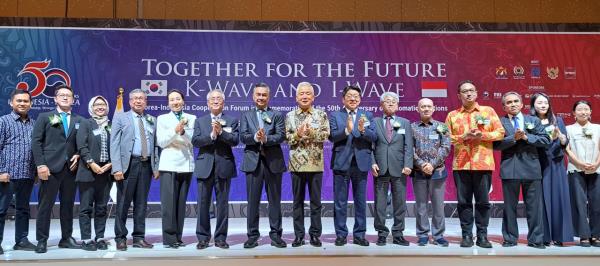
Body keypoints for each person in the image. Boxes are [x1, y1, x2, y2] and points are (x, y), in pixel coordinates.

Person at [445, 80, 504, 248]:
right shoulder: (452, 115)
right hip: (461, 165)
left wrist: (482, 136)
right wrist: (463, 137)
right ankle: (466, 235)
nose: (468, 93)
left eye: (471, 90)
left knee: (483, 202)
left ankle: (482, 235)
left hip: (482, 163)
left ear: (476, 93)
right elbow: (446, 138)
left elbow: (500, 133)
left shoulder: (488, 111)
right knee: (463, 202)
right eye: (464, 91)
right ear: (459, 95)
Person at [494, 92, 550, 249]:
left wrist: (526, 138)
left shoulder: (533, 120)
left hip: (532, 169)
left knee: (534, 207)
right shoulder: (500, 122)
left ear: (522, 104)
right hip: (510, 169)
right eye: (509, 102)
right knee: (509, 207)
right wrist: (513, 138)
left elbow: (546, 140)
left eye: (515, 101)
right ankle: (510, 238)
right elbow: (495, 144)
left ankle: (536, 239)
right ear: (504, 106)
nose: (512, 104)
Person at [32, 85, 83, 253]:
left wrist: (78, 154)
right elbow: (36, 142)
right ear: (55, 99)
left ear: (73, 99)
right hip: (50, 168)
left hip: (71, 169)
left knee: (68, 206)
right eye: (62, 95)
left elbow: (82, 144)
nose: (65, 98)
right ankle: (42, 240)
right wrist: (41, 165)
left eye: (69, 95)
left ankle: (66, 238)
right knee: (45, 206)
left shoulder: (79, 120)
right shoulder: (45, 117)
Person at [110, 89, 158, 251]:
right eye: (135, 99)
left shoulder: (152, 119)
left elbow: (156, 145)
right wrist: (116, 168)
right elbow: (114, 144)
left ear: (146, 102)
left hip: (146, 166)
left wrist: (155, 166)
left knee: (141, 204)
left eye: (142, 99)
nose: (138, 101)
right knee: (123, 203)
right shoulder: (120, 118)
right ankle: (120, 237)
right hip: (127, 166)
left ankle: (139, 237)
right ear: (130, 102)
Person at [240, 83, 287, 249]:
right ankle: (252, 235)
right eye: (258, 95)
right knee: (252, 202)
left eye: (264, 95)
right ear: (253, 97)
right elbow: (243, 137)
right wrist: (255, 136)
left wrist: (266, 138)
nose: (261, 98)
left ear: (269, 97)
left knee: (275, 201)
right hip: (253, 162)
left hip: (273, 162)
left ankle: (276, 235)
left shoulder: (277, 115)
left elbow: (281, 135)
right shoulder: (246, 115)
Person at [328, 85, 376, 247]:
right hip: (342, 163)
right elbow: (332, 136)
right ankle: (341, 234)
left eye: (356, 96)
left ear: (360, 99)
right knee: (340, 202)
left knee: (360, 201)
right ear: (343, 99)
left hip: (361, 164)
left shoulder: (367, 115)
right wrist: (347, 131)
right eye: (349, 96)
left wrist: (363, 131)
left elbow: (374, 136)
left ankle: (359, 234)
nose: (353, 99)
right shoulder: (336, 115)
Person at [192, 89, 239, 249]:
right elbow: (196, 141)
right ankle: (203, 238)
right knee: (203, 204)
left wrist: (221, 133)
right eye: (213, 99)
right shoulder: (200, 121)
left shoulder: (231, 120)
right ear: (207, 103)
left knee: (222, 205)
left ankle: (220, 238)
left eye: (219, 99)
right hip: (205, 167)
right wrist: (212, 135)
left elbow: (234, 140)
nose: (216, 101)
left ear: (223, 103)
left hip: (224, 167)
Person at [285, 82, 330, 247]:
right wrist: (297, 134)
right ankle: (298, 235)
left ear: (313, 97)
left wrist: (311, 132)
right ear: (296, 97)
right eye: (301, 94)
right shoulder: (290, 116)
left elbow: (326, 135)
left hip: (315, 164)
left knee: (316, 203)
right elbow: (287, 137)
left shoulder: (321, 114)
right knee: (297, 202)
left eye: (308, 93)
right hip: (296, 165)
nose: (304, 96)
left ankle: (315, 235)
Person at [529, 92, 574, 246]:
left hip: (556, 164)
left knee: (559, 199)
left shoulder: (557, 120)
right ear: (533, 105)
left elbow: (564, 142)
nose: (543, 105)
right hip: (539, 163)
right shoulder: (530, 121)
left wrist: (562, 139)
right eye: (539, 102)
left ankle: (561, 236)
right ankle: (544, 236)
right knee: (541, 200)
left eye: (546, 103)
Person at [370, 92, 413, 246]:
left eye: (393, 101)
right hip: (380, 167)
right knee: (380, 203)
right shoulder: (374, 122)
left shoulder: (405, 123)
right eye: (386, 101)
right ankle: (381, 233)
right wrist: (372, 162)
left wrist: (408, 164)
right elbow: (370, 146)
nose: (390, 103)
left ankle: (398, 233)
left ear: (398, 105)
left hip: (400, 167)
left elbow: (409, 146)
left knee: (400, 202)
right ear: (381, 105)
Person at [156, 89, 196, 249]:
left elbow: (193, 141)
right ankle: (169, 238)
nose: (175, 102)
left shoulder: (192, 118)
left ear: (183, 101)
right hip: (169, 164)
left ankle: (178, 236)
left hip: (186, 164)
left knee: (180, 204)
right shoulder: (162, 118)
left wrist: (183, 132)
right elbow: (162, 142)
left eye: (178, 99)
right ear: (168, 103)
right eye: (171, 100)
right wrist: (175, 130)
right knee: (168, 204)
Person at [0, 89, 37, 254]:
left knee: (23, 209)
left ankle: (21, 240)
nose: (22, 103)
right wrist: (0, 171)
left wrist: (35, 171)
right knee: (1, 210)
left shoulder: (34, 124)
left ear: (31, 104)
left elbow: (36, 149)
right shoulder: (3, 122)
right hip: (7, 175)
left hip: (27, 175)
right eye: (19, 101)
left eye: (25, 101)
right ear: (11, 103)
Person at [411, 98, 451, 247]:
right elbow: (410, 149)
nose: (426, 109)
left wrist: (432, 165)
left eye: (429, 106)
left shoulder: (442, 127)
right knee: (421, 205)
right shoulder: (412, 127)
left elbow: (446, 147)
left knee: (438, 206)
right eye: (423, 106)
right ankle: (422, 235)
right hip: (418, 172)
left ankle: (438, 235)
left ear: (434, 109)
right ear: (418, 109)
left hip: (438, 172)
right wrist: (421, 164)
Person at [76, 96, 113, 251]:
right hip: (88, 171)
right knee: (85, 208)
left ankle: (99, 237)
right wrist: (92, 163)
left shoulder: (112, 124)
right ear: (91, 107)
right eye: (97, 104)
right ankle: (86, 239)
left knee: (102, 207)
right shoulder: (86, 123)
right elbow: (81, 146)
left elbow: (118, 147)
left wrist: (110, 164)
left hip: (106, 172)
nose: (100, 107)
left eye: (103, 104)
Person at [565, 100, 600, 247]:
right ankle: (584, 235)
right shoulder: (568, 129)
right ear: (574, 113)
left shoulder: (598, 128)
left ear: (590, 112)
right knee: (579, 204)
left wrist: (597, 163)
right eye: (579, 109)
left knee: (597, 203)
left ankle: (596, 234)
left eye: (586, 109)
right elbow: (567, 149)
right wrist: (579, 163)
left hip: (596, 169)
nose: (583, 112)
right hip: (576, 169)